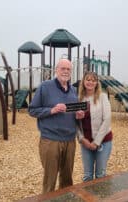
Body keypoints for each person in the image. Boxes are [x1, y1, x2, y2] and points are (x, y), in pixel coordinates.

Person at [28, 58, 84, 193]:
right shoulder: (45, 87)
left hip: (70, 141)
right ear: (56, 70)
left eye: (68, 69)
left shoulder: (73, 90)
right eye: (62, 68)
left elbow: (74, 113)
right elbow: (32, 110)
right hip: (51, 141)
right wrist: (51, 110)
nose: (65, 71)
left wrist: (78, 114)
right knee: (50, 180)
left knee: (67, 180)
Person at [77, 71, 113, 182]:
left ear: (97, 83)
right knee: (87, 175)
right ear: (83, 81)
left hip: (103, 141)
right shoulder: (78, 99)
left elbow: (107, 119)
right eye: (88, 79)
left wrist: (96, 142)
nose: (90, 82)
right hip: (85, 142)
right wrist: (82, 139)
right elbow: (74, 123)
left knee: (100, 175)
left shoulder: (102, 97)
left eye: (93, 80)